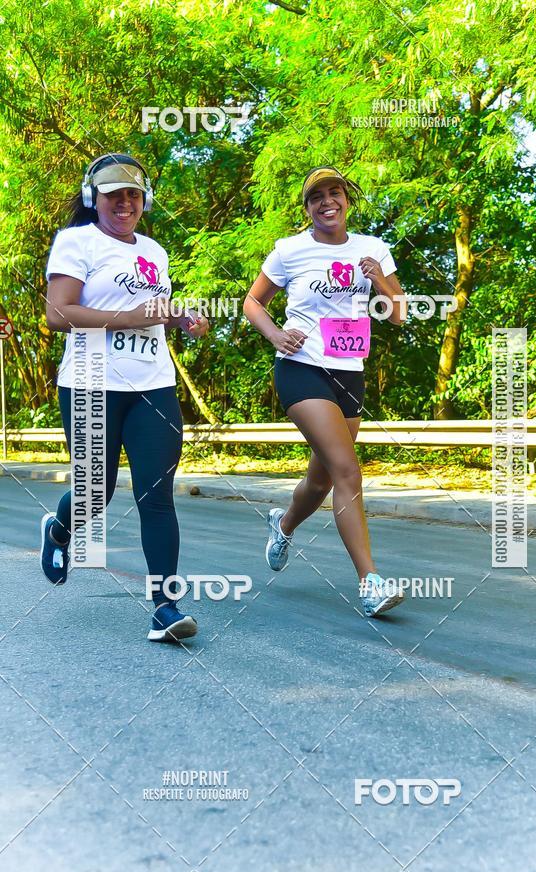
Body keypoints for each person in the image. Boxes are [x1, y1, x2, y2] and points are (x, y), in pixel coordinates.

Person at [41, 153, 208, 643]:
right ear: (95, 199)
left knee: (156, 495)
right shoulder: (76, 242)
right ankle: (61, 527)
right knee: (98, 490)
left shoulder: (155, 252)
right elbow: (57, 314)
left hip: (152, 383)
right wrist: (131, 317)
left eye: (133, 194)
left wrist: (185, 320)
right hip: (91, 381)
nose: (125, 203)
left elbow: (152, 312)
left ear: (144, 201)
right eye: (114, 194)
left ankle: (165, 608)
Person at [243, 165, 406, 618]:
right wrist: (276, 335)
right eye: (317, 197)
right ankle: (370, 582)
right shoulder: (289, 250)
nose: (326, 202)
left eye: (334, 193)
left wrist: (381, 280)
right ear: (308, 207)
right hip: (301, 369)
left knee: (321, 479)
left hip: (348, 370)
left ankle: (284, 523)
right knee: (347, 470)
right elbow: (253, 301)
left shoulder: (372, 248)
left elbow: (398, 314)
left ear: (347, 200)